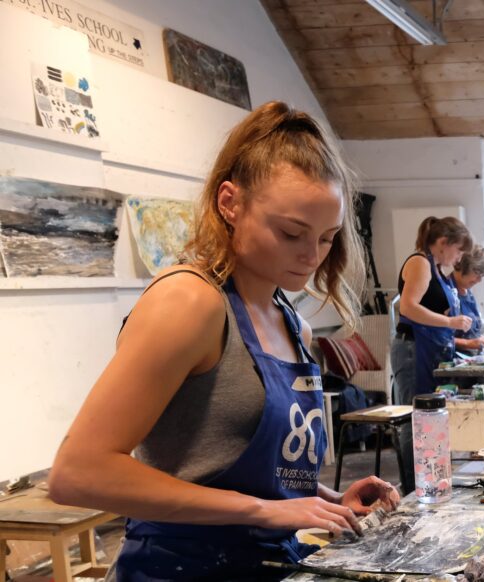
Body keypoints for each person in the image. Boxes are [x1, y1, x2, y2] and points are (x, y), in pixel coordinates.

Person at [48, 102, 400, 581]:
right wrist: (261, 511)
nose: (311, 256)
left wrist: (328, 502)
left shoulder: (292, 323)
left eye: (326, 238)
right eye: (292, 232)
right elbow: (79, 473)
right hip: (177, 569)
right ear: (230, 202)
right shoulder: (190, 304)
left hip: (265, 564)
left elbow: (242, 468)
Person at [391, 216, 473, 491]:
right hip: (413, 349)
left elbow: (428, 306)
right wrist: (450, 322)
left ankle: (427, 481)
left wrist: (448, 317)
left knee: (429, 417)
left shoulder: (436, 268)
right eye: (458, 249)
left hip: (429, 348)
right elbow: (408, 307)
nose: (459, 257)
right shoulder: (420, 263)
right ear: (443, 242)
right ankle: (412, 489)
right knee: (413, 417)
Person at [452, 244, 484, 352]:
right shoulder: (444, 292)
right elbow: (435, 337)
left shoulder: (468, 294)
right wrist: (468, 343)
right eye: (477, 274)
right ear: (464, 266)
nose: (479, 280)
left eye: (483, 276)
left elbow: (474, 332)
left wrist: (482, 341)